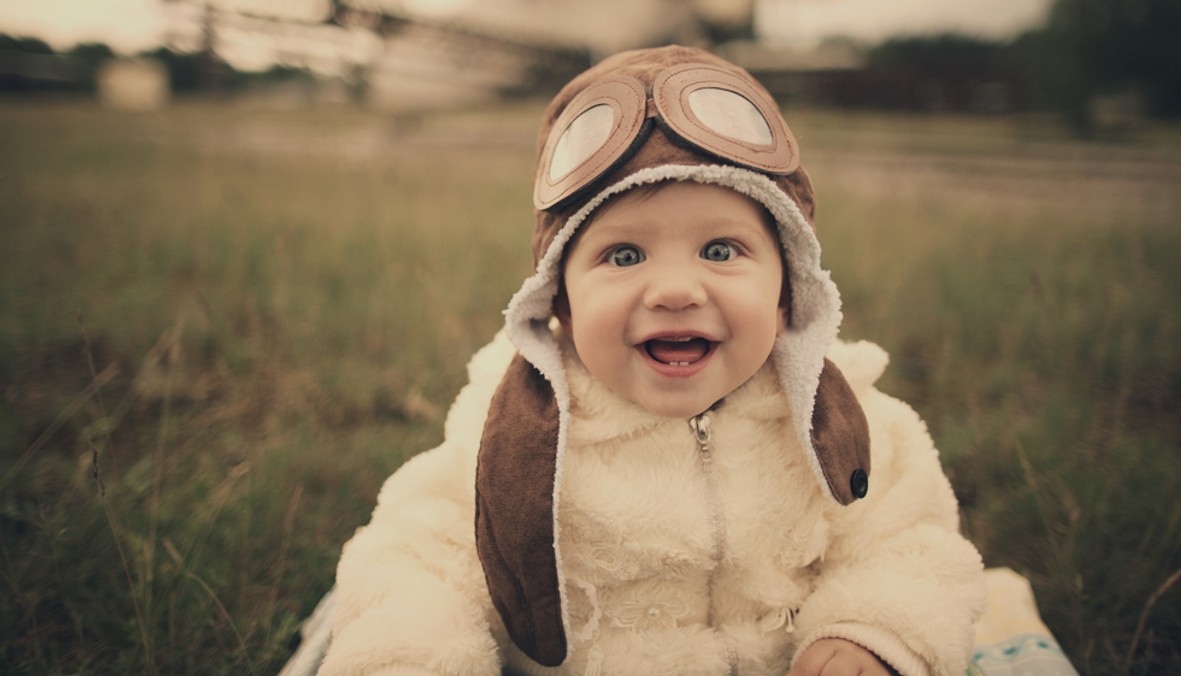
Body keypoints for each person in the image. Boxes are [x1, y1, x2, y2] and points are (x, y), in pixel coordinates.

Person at [317, 45, 987, 676]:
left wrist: (867, 632)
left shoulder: (839, 418)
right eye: (624, 255)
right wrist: (409, 654)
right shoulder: (512, 429)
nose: (674, 290)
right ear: (562, 305)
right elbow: (421, 557)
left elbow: (910, 539)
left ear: (787, 293)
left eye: (721, 250)